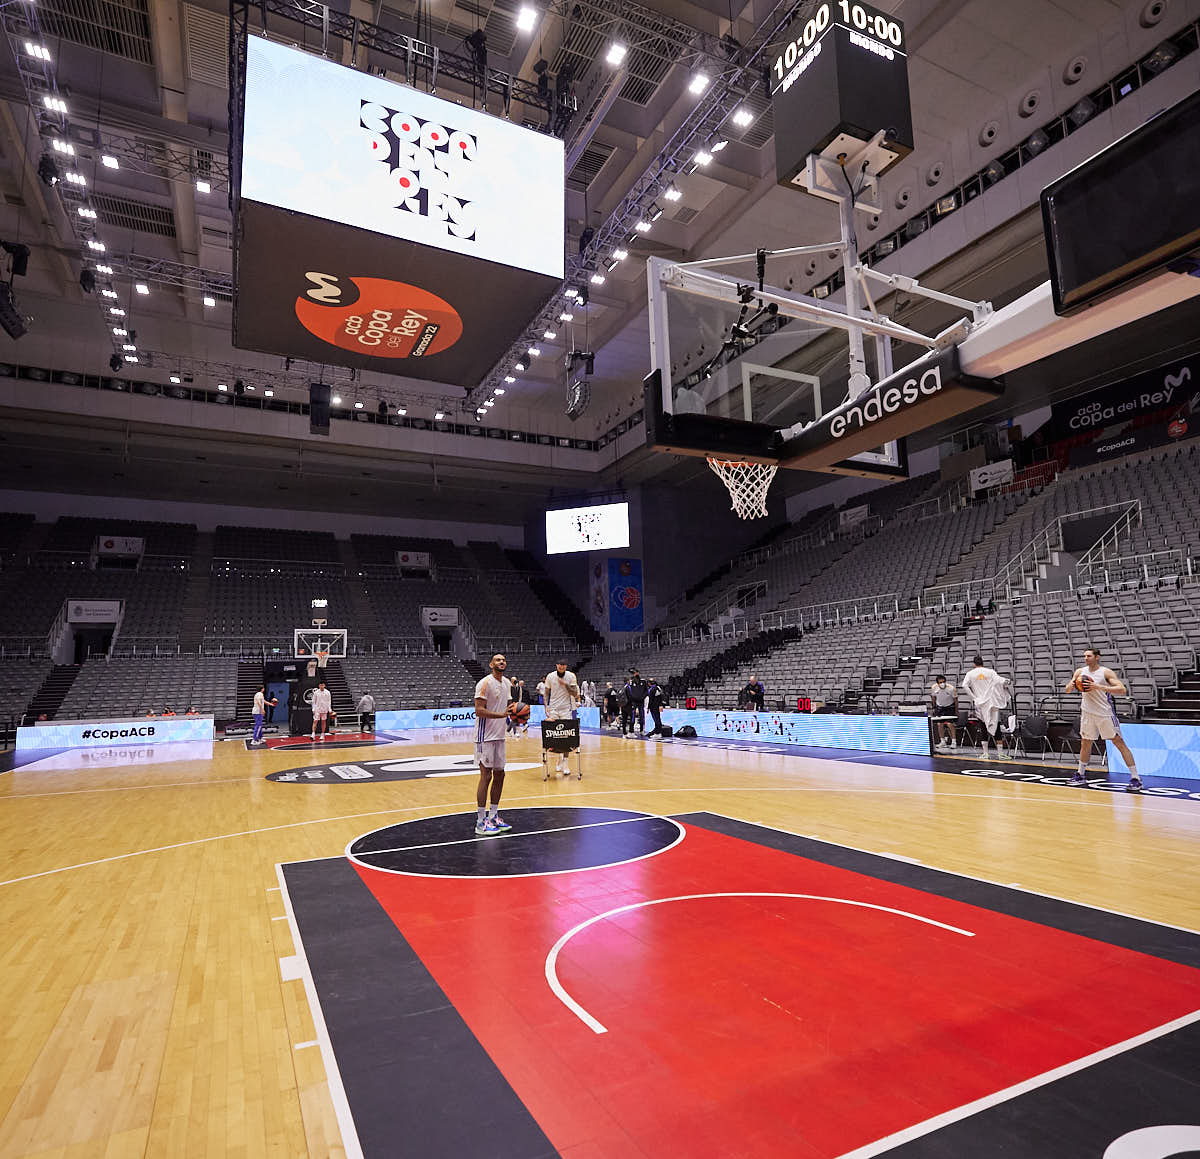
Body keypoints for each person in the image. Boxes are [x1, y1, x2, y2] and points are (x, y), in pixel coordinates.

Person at [1064, 648, 1142, 791]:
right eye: (1084, 656)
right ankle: (1080, 774)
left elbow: (1122, 689)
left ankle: (1135, 777)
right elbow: (1067, 690)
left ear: (1097, 657)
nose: (1085, 658)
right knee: (1085, 743)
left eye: (1088, 656)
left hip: (1105, 713)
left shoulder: (1105, 672)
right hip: (1087, 713)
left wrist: (1098, 686)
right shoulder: (1080, 672)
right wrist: (1074, 683)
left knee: (1119, 743)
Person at [474, 653, 516, 836]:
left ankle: (493, 815)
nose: (502, 662)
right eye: (498, 660)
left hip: (500, 736)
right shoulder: (484, 683)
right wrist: (501, 716)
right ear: (491, 664)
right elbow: (478, 710)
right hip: (485, 736)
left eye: (504, 660)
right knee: (486, 776)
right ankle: (480, 821)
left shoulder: (507, 683)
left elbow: (509, 707)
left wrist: (517, 714)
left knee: (500, 775)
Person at [961, 655, 1011, 760]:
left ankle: (985, 753)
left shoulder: (970, 673)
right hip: (992, 703)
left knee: (983, 727)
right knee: (996, 727)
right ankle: (1000, 754)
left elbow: (964, 686)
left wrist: (974, 698)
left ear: (974, 664)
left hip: (980, 704)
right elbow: (999, 681)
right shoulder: (991, 672)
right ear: (982, 663)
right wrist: (1006, 682)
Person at [543, 658, 581, 775]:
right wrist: (546, 707)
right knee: (555, 737)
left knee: (566, 737)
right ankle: (559, 760)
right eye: (560, 664)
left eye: (564, 665)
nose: (562, 666)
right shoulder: (550, 676)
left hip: (566, 709)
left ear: (566, 666)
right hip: (553, 709)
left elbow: (575, 694)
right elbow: (546, 692)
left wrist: (566, 685)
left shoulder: (571, 676)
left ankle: (565, 763)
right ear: (556, 665)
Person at [929, 675, 958, 747]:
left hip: (950, 707)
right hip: (940, 707)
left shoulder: (951, 688)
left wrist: (956, 710)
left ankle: (954, 742)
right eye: (940, 682)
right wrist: (934, 707)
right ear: (937, 683)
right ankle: (942, 741)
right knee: (939, 724)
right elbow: (933, 697)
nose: (942, 683)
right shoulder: (934, 688)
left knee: (949, 724)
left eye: (944, 682)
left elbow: (956, 700)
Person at [622, 669, 648, 737]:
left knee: (642, 716)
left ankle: (642, 730)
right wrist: (635, 698)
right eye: (634, 673)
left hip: (641, 702)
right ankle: (631, 731)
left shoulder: (643, 682)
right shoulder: (630, 683)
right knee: (632, 717)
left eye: (636, 672)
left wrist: (642, 697)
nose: (635, 674)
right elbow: (630, 693)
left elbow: (646, 691)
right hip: (633, 702)